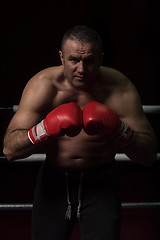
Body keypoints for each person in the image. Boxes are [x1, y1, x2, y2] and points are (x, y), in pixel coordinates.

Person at [3, 25, 157, 240]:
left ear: (101, 59)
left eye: (90, 61)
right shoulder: (43, 86)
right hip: (54, 180)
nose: (82, 69)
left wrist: (119, 130)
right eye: (74, 59)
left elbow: (149, 155)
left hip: (102, 181)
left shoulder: (120, 88)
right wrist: (45, 129)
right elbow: (10, 149)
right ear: (61, 57)